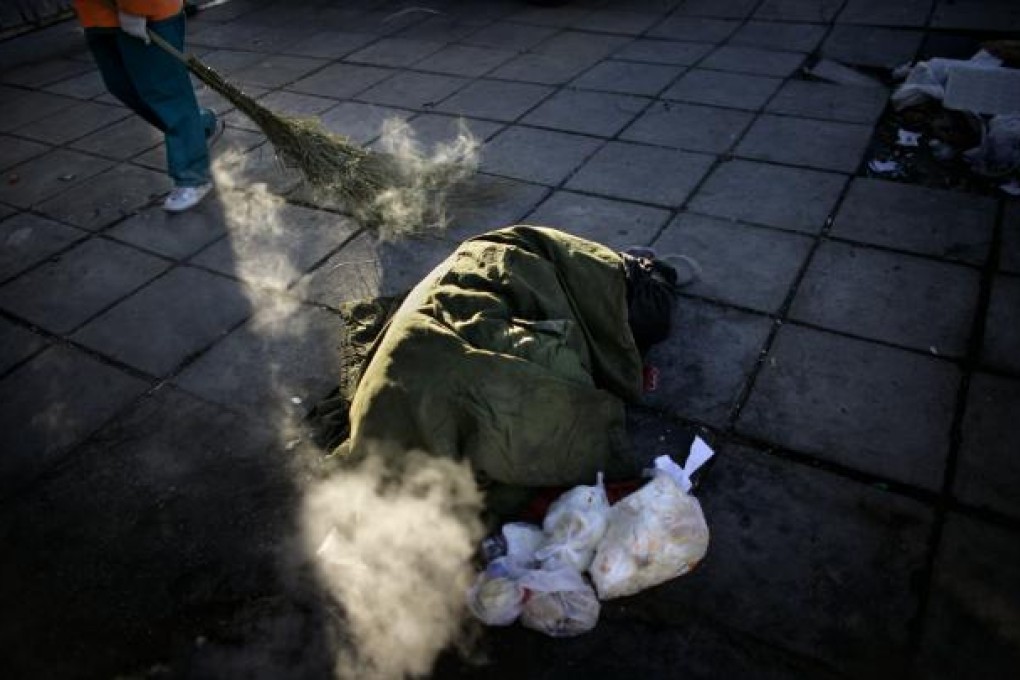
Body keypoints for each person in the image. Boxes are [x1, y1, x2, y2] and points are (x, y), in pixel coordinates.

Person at [72, 0, 221, 212]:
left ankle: (193, 176)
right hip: (97, 14)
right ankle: (198, 125)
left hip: (143, 12)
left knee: (166, 93)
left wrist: (139, 8)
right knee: (121, 85)